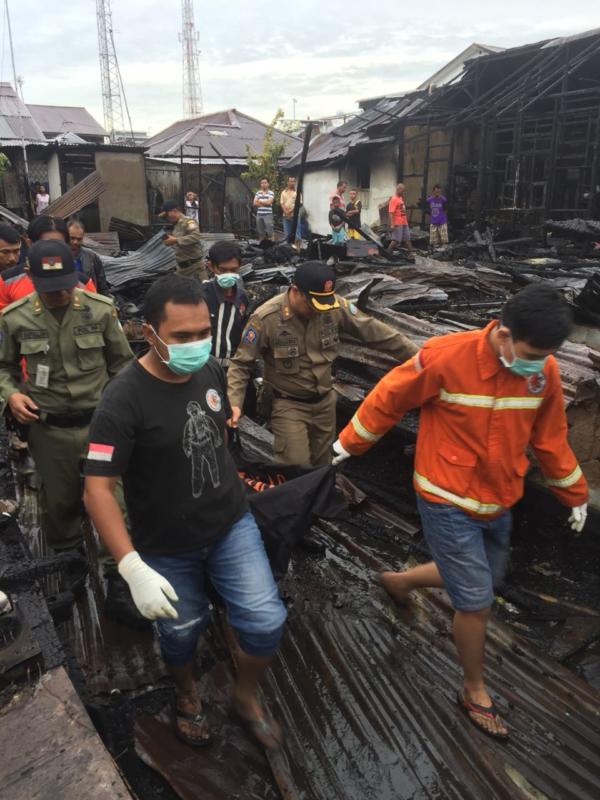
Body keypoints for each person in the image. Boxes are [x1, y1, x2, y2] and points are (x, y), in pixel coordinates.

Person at [331, 284, 589, 740]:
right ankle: (474, 690)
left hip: (500, 494)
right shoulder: (446, 357)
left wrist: (575, 494)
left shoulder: (540, 371)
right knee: (475, 598)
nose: (540, 364)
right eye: (533, 353)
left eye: (548, 355)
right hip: (444, 495)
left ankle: (400, 580)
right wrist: (347, 444)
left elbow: (551, 438)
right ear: (504, 335)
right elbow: (389, 397)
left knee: (486, 575)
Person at [83, 274, 287, 749]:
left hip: (230, 525)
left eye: (202, 332)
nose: (196, 344)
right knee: (181, 632)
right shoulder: (122, 400)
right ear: (149, 334)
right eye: (182, 336)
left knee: (264, 620)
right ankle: (187, 691)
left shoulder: (211, 371)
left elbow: (218, 437)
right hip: (166, 544)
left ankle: (245, 694)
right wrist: (131, 567)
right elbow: (97, 489)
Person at [0, 240, 133, 557]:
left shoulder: (99, 310)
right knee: (59, 507)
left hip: (99, 428)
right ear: (30, 276)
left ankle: (117, 574)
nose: (59, 294)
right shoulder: (15, 318)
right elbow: (3, 368)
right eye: (50, 288)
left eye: (64, 286)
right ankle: (69, 567)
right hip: (49, 432)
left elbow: (124, 366)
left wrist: (124, 413)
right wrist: (12, 396)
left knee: (114, 502)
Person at [227, 261, 418, 466]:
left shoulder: (332, 306)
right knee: (295, 466)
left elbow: (377, 333)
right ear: (295, 291)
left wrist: (424, 356)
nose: (318, 310)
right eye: (312, 303)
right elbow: (241, 364)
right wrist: (234, 404)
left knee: (324, 465)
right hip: (288, 404)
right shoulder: (266, 318)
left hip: (325, 404)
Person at [0, 216, 97, 311]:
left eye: (58, 244)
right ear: (30, 243)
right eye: (45, 244)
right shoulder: (6, 281)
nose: (52, 250)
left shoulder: (83, 283)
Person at [204, 240, 249, 367]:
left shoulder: (242, 298)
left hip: (233, 368)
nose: (228, 275)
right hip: (206, 367)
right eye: (223, 270)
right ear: (211, 267)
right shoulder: (202, 296)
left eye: (233, 270)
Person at [161, 200, 206, 281]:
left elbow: (196, 236)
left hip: (194, 267)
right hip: (181, 268)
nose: (167, 218)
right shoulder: (175, 225)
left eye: (167, 215)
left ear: (174, 210)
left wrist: (176, 240)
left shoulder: (188, 221)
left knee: (200, 291)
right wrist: (168, 241)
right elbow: (175, 242)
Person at [67, 219, 111, 296]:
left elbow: (101, 283)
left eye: (79, 239)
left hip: (89, 300)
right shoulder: (57, 256)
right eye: (72, 238)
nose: (75, 242)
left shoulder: (91, 256)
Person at [387, 183, 413, 254]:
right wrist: (392, 224)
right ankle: (388, 253)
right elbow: (391, 213)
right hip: (397, 223)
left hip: (404, 222)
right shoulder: (394, 199)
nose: (403, 192)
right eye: (403, 191)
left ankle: (411, 253)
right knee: (396, 240)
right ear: (398, 189)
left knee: (407, 239)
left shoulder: (400, 198)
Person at [280, 176, 301, 248]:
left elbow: (298, 204)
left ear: (295, 182)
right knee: (287, 236)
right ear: (287, 182)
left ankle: (298, 252)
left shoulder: (297, 193)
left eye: (293, 181)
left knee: (297, 236)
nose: (292, 183)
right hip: (285, 217)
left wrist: (290, 211)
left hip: (295, 216)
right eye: (290, 181)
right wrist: (286, 212)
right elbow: (282, 203)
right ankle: (290, 253)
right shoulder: (283, 192)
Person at [253, 178, 274, 242]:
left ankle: (273, 247)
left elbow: (269, 202)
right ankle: (261, 247)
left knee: (270, 233)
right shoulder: (258, 193)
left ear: (268, 184)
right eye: (262, 183)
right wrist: (265, 202)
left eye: (265, 183)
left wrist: (259, 201)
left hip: (268, 214)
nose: (263, 184)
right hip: (259, 214)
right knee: (261, 233)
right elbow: (254, 203)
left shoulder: (271, 193)